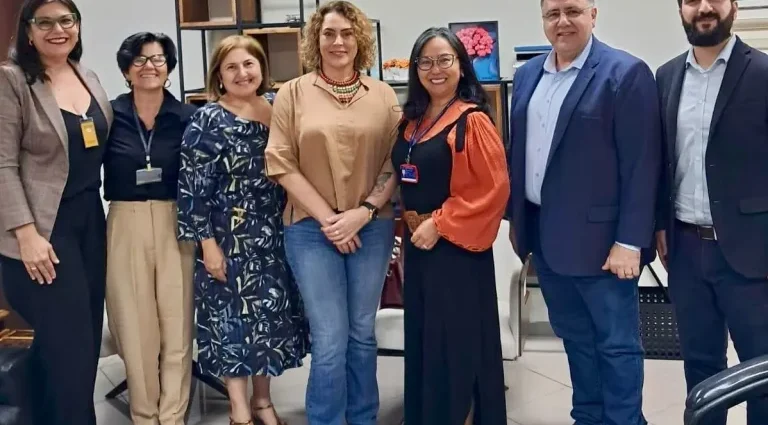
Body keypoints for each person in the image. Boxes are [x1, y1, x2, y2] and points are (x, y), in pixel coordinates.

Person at [506, 0, 661, 424]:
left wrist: (630, 241)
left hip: (604, 247)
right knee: (575, 339)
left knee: (616, 346)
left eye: (572, 11)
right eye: (552, 13)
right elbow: (518, 153)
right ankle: (588, 417)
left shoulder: (625, 73)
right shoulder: (527, 75)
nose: (562, 22)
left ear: (593, 14)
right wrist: (517, 221)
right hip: (546, 239)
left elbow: (642, 165)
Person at [264, 1, 401, 423]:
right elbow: (280, 161)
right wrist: (331, 220)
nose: (338, 41)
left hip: (371, 227)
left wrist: (363, 212)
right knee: (329, 337)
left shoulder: (382, 94)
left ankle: (362, 417)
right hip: (309, 228)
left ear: (359, 39)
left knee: (361, 333)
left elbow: (397, 161)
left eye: (346, 33)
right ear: (315, 40)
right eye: (328, 33)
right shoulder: (292, 93)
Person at [177, 34, 308, 425]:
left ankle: (263, 401)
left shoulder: (278, 109)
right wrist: (208, 246)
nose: (242, 73)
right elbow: (192, 191)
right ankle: (239, 410)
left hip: (274, 234)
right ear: (218, 75)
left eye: (249, 64)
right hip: (227, 237)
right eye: (231, 67)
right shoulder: (207, 120)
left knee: (266, 323)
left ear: (261, 69)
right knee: (231, 325)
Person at [655, 1, 768, 423]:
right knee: (701, 367)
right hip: (685, 250)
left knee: (762, 369)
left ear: (733, 5)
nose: (703, 7)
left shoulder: (762, 73)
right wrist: (659, 225)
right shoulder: (666, 76)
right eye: (691, 0)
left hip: (752, 252)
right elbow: (662, 162)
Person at [0, 0, 112, 424]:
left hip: (89, 221)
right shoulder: (11, 80)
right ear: (28, 32)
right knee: (69, 351)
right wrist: (26, 234)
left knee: (83, 343)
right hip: (43, 230)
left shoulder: (87, 75)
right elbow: (2, 164)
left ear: (78, 26)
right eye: (44, 22)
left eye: (66, 20)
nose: (57, 30)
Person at [392, 27, 510, 425]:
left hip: (457, 252)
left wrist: (440, 224)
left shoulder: (471, 121)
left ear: (461, 65)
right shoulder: (412, 121)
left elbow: (493, 189)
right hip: (419, 250)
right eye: (425, 61)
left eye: (444, 60)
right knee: (427, 342)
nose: (435, 69)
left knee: (458, 345)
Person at [103, 32, 197, 425]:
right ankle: (144, 415)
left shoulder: (188, 117)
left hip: (177, 220)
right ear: (126, 70)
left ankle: (172, 415)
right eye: (139, 60)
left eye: (157, 59)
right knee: (134, 325)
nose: (149, 67)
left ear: (169, 67)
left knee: (177, 324)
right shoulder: (108, 116)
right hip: (125, 221)